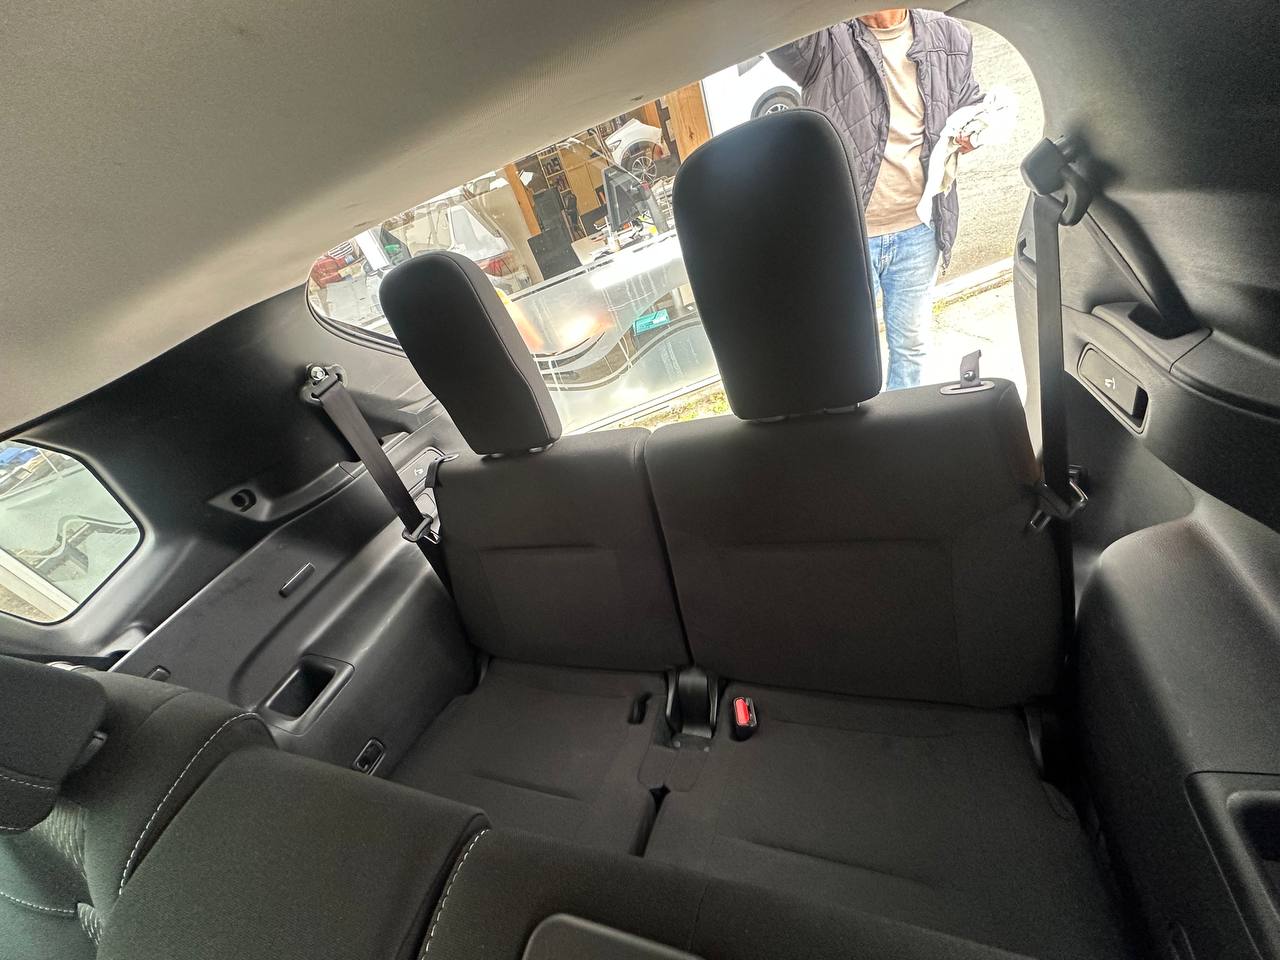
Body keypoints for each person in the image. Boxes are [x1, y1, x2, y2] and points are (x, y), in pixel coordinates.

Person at [769, 9, 982, 389]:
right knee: (844, 351)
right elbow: (778, 33)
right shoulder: (824, 37)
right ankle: (856, 423)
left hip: (919, 230)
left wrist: (975, 128)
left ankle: (902, 423)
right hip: (847, 240)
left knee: (911, 347)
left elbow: (970, 103)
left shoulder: (949, 35)